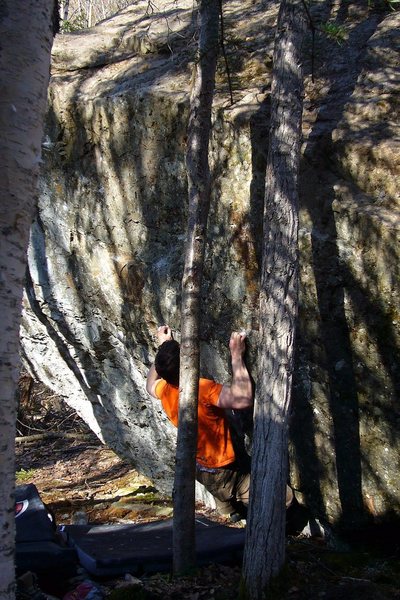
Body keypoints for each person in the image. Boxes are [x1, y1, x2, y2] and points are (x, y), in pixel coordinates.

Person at [146, 325, 254, 520]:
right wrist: (236, 355)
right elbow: (243, 398)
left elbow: (149, 385)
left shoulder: (164, 389)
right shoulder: (201, 389)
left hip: (200, 464)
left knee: (222, 494)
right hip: (224, 467)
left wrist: (163, 349)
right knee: (282, 499)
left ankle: (230, 512)